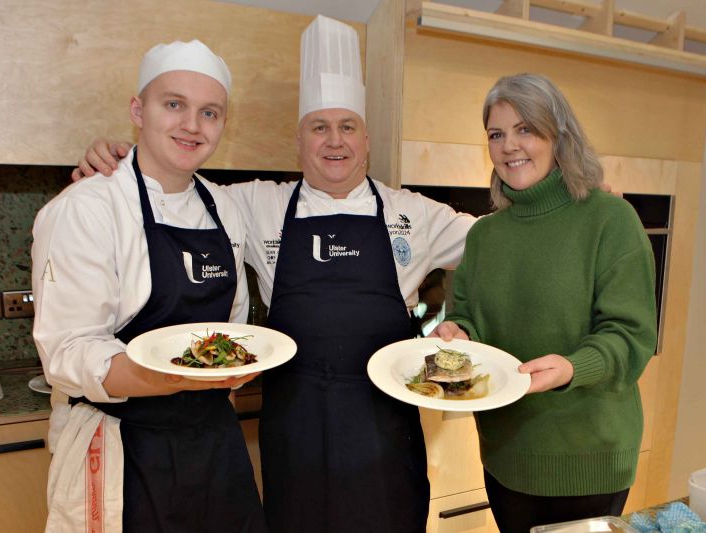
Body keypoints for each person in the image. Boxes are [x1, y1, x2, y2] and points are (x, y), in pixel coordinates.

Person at [71, 15, 476, 532]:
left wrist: (465, 319)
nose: (335, 141)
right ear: (299, 139)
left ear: (367, 138)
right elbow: (171, 187)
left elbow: (496, 247)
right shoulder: (253, 203)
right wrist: (118, 160)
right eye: (319, 127)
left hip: (384, 422)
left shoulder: (413, 213)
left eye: (347, 126)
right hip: (294, 422)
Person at [31, 40, 266, 532]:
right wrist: (174, 376)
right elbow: (68, 352)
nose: (192, 126)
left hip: (214, 438)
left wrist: (227, 370)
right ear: (138, 110)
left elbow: (235, 327)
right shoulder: (87, 207)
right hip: (124, 443)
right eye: (174, 104)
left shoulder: (224, 208)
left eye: (210, 112)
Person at [434, 73, 657, 532]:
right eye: (497, 134)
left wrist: (574, 367)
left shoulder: (610, 219)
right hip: (506, 453)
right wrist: (458, 335)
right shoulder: (484, 235)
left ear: (559, 136)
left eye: (527, 129)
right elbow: (469, 318)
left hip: (588, 455)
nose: (510, 146)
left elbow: (631, 336)